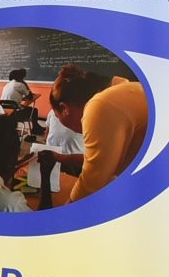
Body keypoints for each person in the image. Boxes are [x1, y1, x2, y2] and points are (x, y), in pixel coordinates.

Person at [49, 65, 148, 203]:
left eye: (57, 116)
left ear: (65, 109)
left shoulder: (100, 106)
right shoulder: (122, 90)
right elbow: (102, 161)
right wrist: (63, 158)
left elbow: (90, 187)